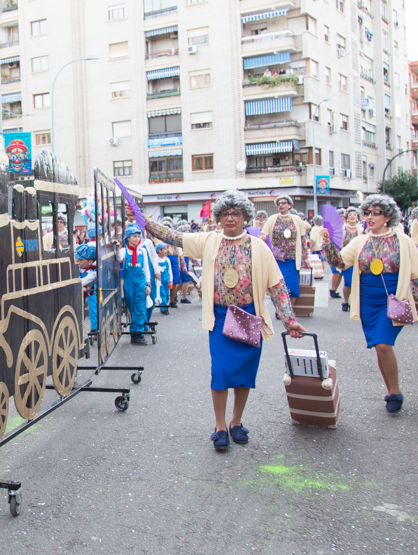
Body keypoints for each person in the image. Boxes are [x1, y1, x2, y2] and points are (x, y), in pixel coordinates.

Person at [136, 190, 307, 449]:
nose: (230, 218)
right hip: (220, 317)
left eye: (235, 214)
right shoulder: (209, 240)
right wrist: (142, 221)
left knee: (245, 374)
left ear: (245, 217)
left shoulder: (259, 246)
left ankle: (236, 422)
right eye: (225, 214)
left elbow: (278, 286)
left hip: (249, 316)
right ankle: (220, 425)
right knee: (221, 372)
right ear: (218, 217)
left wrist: (289, 320)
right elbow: (173, 236)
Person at [320, 194, 418, 414]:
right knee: (379, 346)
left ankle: (395, 392)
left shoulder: (402, 239)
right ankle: (391, 390)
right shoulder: (360, 240)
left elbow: (417, 271)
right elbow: (339, 262)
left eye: (375, 213)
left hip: (393, 299)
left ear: (387, 216)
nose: (369, 217)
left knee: (384, 344)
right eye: (366, 213)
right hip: (367, 300)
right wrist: (328, 245)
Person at [261, 195, 309, 299]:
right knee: (279, 286)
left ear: (289, 205)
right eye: (278, 204)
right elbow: (263, 234)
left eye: (283, 203)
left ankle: (289, 312)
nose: (281, 205)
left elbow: (303, 239)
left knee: (292, 287)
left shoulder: (296, 219)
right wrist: (263, 237)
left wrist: (306, 258)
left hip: (292, 259)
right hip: (278, 259)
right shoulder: (272, 219)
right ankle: (281, 311)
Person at [119, 225, 153, 346]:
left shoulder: (142, 251)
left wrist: (148, 284)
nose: (137, 239)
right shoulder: (124, 251)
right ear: (128, 238)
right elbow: (118, 258)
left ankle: (138, 333)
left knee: (140, 307)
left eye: (138, 236)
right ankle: (135, 332)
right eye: (134, 236)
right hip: (129, 283)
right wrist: (117, 248)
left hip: (140, 282)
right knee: (132, 306)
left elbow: (146, 269)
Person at [76, 243, 98, 332]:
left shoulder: (93, 272)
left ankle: (94, 327)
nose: (77, 261)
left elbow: (83, 282)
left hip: (88, 290)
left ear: (90, 262)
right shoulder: (77, 266)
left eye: (80, 260)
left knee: (93, 306)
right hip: (78, 291)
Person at [154, 243, 172, 315]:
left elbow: (169, 271)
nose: (166, 250)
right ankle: (163, 308)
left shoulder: (167, 260)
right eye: (164, 249)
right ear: (159, 250)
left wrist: (171, 280)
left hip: (166, 279)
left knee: (167, 294)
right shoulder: (155, 260)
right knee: (162, 294)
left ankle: (165, 305)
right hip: (159, 280)